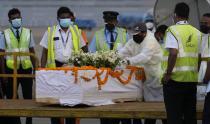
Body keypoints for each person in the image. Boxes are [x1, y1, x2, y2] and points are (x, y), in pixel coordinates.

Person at [40, 6, 87, 124]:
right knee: (56, 101)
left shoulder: (76, 31)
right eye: (63, 17)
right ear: (58, 18)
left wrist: (87, 66)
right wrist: (42, 70)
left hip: (72, 70)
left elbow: (85, 49)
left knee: (70, 101)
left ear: (70, 18)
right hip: (55, 70)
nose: (65, 19)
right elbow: (44, 53)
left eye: (67, 17)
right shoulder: (50, 32)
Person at [161, 2, 201, 124]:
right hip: (191, 80)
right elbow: (199, 56)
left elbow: (173, 53)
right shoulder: (197, 32)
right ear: (188, 15)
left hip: (175, 80)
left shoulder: (172, 30)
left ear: (175, 15)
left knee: (174, 117)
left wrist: (168, 74)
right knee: (190, 117)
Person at [89, 11, 130, 124]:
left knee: (121, 109)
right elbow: (91, 54)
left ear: (116, 21)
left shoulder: (124, 33)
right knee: (105, 108)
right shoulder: (98, 35)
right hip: (103, 78)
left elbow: (130, 53)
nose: (109, 23)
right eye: (107, 21)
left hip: (120, 77)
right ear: (104, 21)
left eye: (111, 21)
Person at [119, 23, 163, 124]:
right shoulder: (134, 40)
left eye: (137, 34)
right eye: (133, 34)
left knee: (155, 108)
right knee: (139, 105)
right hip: (141, 76)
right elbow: (124, 51)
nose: (134, 36)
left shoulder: (150, 41)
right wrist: (113, 57)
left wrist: (128, 61)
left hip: (154, 77)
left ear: (144, 33)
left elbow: (144, 57)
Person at [0, 8, 36, 124]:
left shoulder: (28, 32)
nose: (16, 20)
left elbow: (32, 52)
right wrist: (4, 74)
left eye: (18, 18)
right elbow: (1, 55)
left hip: (26, 69)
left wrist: (35, 70)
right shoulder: (4, 34)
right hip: (11, 70)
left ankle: (28, 121)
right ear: (9, 20)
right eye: (14, 18)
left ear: (21, 18)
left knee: (28, 99)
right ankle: (16, 122)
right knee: (12, 99)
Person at [200, 13, 210, 124]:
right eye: (202, 23)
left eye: (206, 23)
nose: (203, 25)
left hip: (207, 73)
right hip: (201, 73)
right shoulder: (201, 36)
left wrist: (206, 79)